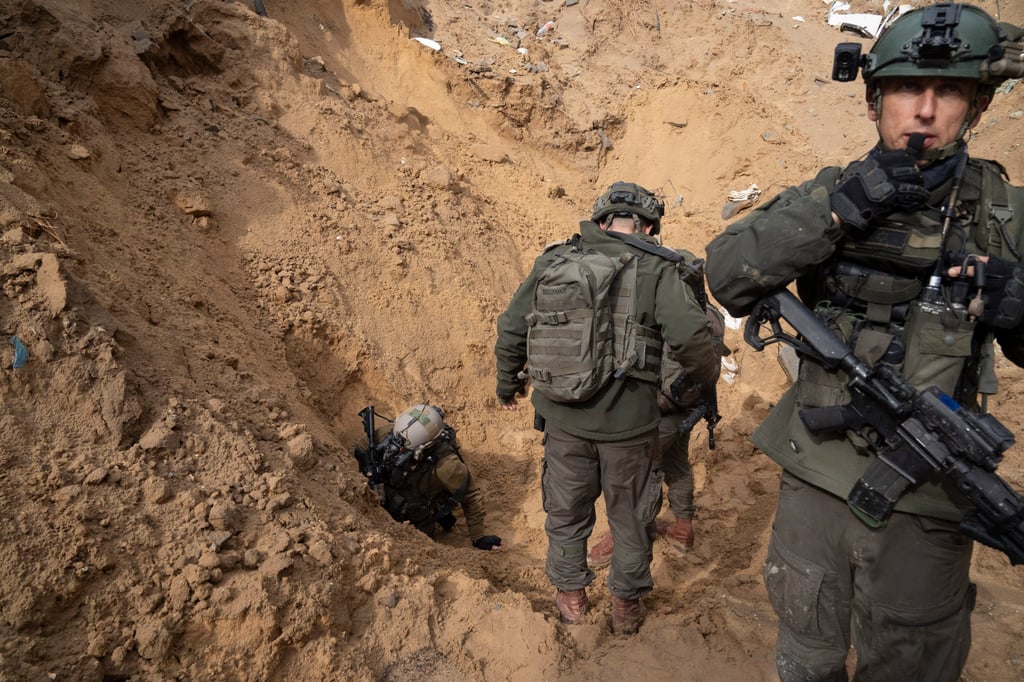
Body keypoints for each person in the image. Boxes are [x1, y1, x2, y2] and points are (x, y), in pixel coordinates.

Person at [704, 4, 1024, 680]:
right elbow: (729, 274)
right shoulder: (834, 190)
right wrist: (841, 208)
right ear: (874, 99)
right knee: (807, 652)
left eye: (950, 92)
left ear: (978, 103)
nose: (926, 110)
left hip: (930, 493)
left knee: (909, 660)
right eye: (908, 88)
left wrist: (1016, 306)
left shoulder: (1006, 215)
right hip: (815, 475)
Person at [495, 181, 721, 635]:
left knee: (565, 513)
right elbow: (694, 338)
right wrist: (703, 381)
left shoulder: (555, 260)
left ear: (599, 221)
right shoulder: (658, 269)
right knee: (632, 518)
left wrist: (507, 384)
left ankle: (571, 596)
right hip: (631, 429)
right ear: (649, 226)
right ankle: (625, 608)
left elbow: (512, 326)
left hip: (563, 423)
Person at [587, 302, 731, 566]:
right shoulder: (707, 310)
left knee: (633, 473)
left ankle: (622, 538)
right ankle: (683, 530)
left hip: (659, 409)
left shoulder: (666, 307)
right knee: (676, 465)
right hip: (689, 407)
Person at [353, 404, 502, 551]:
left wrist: (479, 537)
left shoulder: (446, 465)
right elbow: (358, 449)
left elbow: (470, 496)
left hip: (413, 519)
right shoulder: (392, 432)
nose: (398, 448)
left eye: (405, 449)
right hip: (378, 501)